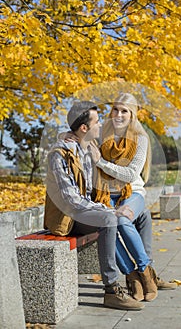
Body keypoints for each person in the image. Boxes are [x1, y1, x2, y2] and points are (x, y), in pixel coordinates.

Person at [44, 100, 144, 311]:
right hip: (66, 218)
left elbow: (89, 193)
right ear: (84, 128)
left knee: (119, 218)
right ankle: (111, 290)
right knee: (109, 219)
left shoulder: (88, 148)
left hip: (83, 213)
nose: (101, 125)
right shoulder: (60, 155)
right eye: (97, 122)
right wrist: (109, 210)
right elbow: (71, 200)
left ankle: (141, 273)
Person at [89, 93, 177, 301]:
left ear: (132, 114)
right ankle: (132, 276)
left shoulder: (140, 138)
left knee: (121, 219)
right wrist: (65, 136)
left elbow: (129, 174)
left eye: (124, 111)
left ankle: (146, 272)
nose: (119, 114)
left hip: (133, 192)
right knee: (107, 226)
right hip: (105, 194)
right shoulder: (102, 133)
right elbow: (80, 131)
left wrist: (100, 162)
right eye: (115, 109)